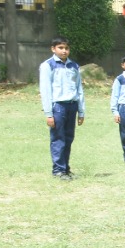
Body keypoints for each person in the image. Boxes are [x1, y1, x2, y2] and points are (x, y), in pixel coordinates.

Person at [39, 36, 85, 180]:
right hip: (58, 107)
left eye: (66, 48)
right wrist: (49, 114)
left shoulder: (74, 66)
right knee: (58, 139)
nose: (64, 51)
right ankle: (58, 170)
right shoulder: (48, 66)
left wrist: (81, 111)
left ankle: (65, 168)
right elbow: (46, 90)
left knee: (68, 138)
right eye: (60, 48)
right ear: (53, 49)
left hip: (72, 106)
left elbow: (79, 89)